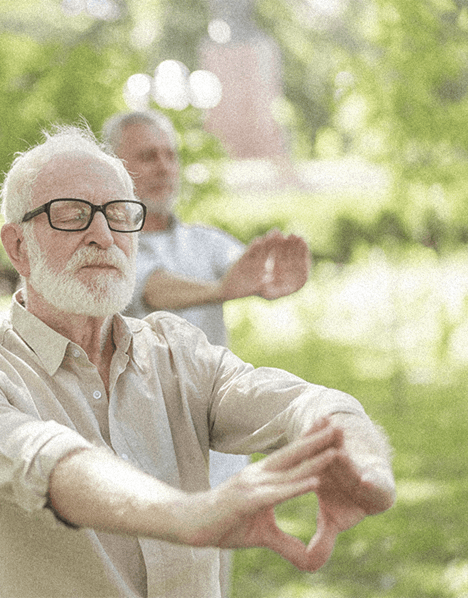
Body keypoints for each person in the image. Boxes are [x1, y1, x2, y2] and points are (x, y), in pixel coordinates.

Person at [0, 125, 395, 598]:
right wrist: (185, 515)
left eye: (118, 214)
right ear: (18, 247)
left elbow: (303, 403)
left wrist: (363, 460)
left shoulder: (176, 351)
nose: (102, 234)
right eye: (71, 215)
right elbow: (42, 459)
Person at [102, 109, 312, 596]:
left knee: (209, 584)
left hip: (210, 453)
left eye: (170, 155)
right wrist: (222, 289)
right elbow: (154, 290)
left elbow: (248, 271)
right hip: (133, 452)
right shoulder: (108, 244)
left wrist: (271, 276)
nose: (164, 165)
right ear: (113, 166)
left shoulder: (205, 240)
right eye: (148, 155)